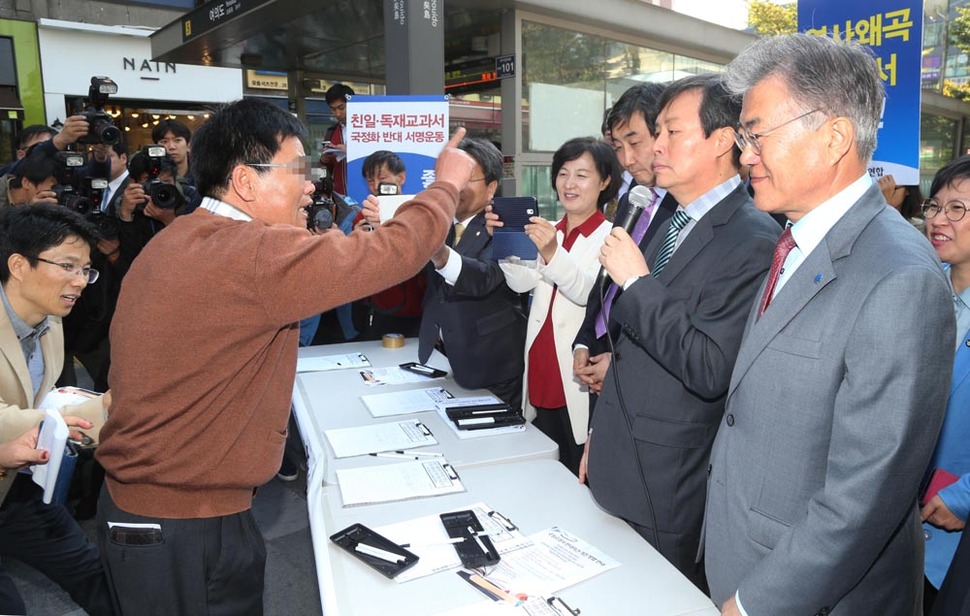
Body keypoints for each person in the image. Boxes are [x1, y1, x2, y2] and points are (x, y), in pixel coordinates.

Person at [95, 98, 474, 614]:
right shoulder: (251, 252)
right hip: (180, 522)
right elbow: (394, 254)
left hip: (167, 508)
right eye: (299, 171)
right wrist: (446, 184)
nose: (312, 185)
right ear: (247, 182)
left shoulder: (183, 236)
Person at [703, 34, 954, 616]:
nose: (745, 156)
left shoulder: (899, 276)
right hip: (742, 558)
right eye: (744, 138)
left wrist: (755, 601)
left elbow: (866, 493)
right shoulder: (792, 242)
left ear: (835, 137)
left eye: (757, 135)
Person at [583, 74, 777, 589]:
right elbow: (636, 345)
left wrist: (637, 282)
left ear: (721, 141)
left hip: (664, 481)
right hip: (620, 457)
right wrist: (602, 433)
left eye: (671, 131)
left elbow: (710, 366)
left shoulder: (753, 235)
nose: (656, 147)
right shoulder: (672, 214)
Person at [0, 204, 113, 616]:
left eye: (86, 269)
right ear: (18, 264)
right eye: (68, 266)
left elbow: (49, 403)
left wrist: (115, 407)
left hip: (18, 488)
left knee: (96, 578)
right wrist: (53, 423)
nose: (80, 281)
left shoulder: (51, 320)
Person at [490, 136, 619, 475]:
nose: (569, 184)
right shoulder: (552, 231)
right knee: (541, 470)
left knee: (576, 469)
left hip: (575, 375)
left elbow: (588, 293)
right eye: (563, 173)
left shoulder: (613, 237)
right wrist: (505, 244)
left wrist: (550, 252)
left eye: (582, 174)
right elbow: (521, 283)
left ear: (604, 181)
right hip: (540, 365)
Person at [573, 82, 676, 403]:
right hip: (601, 355)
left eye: (635, 142)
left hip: (642, 371)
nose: (627, 159)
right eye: (617, 146)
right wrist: (585, 340)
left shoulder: (684, 212)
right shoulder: (634, 199)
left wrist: (619, 364)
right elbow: (608, 279)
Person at [413, 138, 527, 410]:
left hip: (490, 365)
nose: (458, 186)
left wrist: (439, 253)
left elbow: (484, 278)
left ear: (491, 188)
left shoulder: (507, 224)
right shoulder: (440, 223)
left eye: (467, 178)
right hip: (440, 356)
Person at [919, 155, 970, 612]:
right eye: (935, 206)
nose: (939, 220)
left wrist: (966, 496)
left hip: (953, 543)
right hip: (898, 531)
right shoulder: (920, 288)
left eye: (958, 209)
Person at [356, 150, 426, 339]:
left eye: (382, 178)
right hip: (379, 308)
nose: (376, 185)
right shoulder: (363, 215)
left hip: (417, 309)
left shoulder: (418, 211)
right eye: (370, 181)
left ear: (401, 178)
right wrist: (356, 239)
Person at [320, 83, 355, 195]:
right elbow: (326, 167)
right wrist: (325, 159)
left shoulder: (368, 129)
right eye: (333, 109)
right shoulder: (331, 133)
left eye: (341, 108)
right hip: (340, 194)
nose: (337, 114)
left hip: (364, 192)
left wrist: (349, 151)